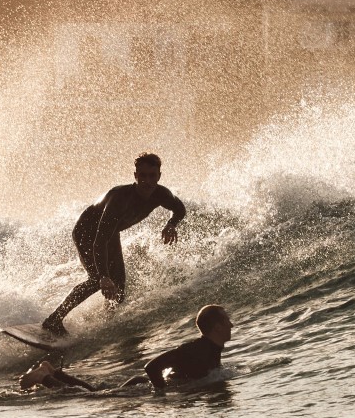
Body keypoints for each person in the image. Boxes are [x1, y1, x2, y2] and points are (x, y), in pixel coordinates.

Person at [40, 153, 186, 337]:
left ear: (159, 176)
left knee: (119, 286)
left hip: (110, 233)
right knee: (96, 280)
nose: (147, 181)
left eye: (152, 176)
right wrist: (103, 277)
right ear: (135, 176)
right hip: (87, 231)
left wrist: (171, 224)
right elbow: (99, 240)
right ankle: (53, 320)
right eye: (142, 175)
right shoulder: (120, 199)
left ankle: (106, 322)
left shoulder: (161, 194)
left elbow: (180, 209)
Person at [20, 304, 233, 396]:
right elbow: (152, 367)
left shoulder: (210, 350)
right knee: (86, 396)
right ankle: (44, 378)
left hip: (141, 386)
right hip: (140, 388)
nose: (231, 325)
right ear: (217, 327)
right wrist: (160, 394)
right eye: (227, 321)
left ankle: (54, 373)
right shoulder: (197, 350)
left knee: (94, 392)